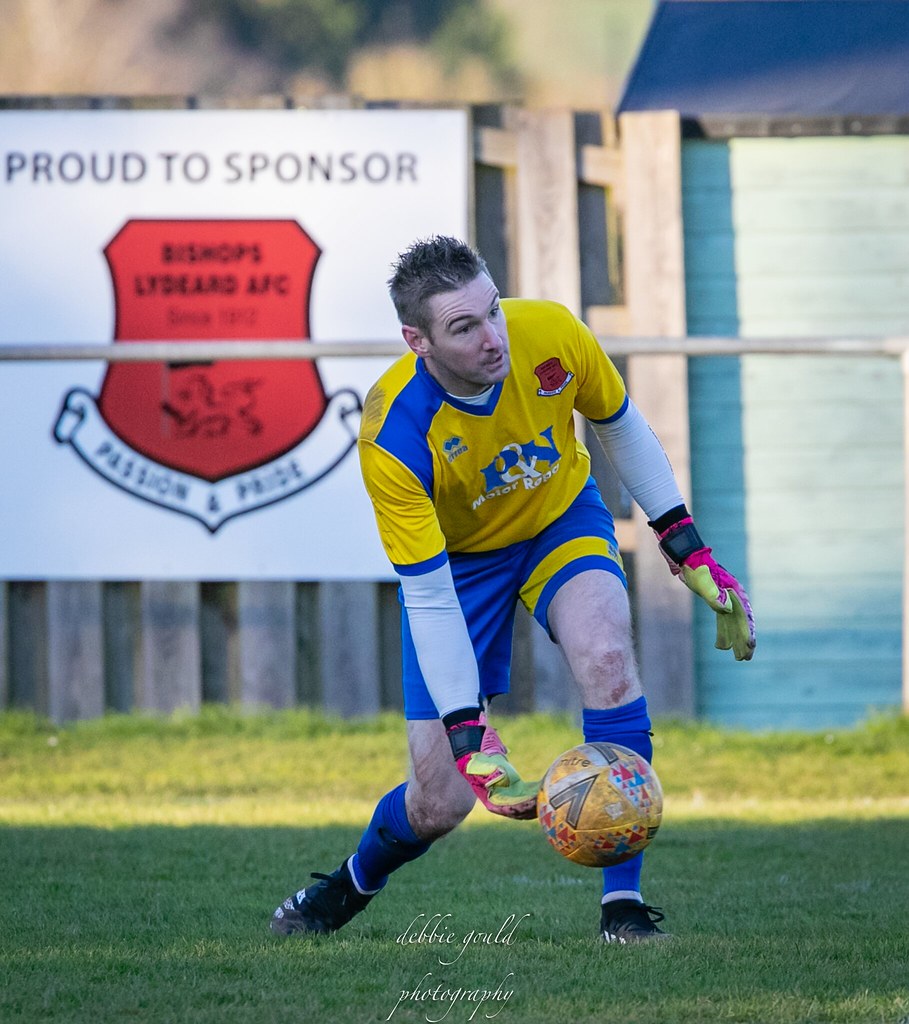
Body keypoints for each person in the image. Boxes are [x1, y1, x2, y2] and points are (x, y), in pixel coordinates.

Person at [271, 236, 755, 943]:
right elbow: (430, 595)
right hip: (460, 569)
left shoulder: (550, 332)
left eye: (491, 311)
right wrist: (468, 731)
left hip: (558, 517)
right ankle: (352, 882)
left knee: (607, 660)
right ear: (418, 341)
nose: (492, 337)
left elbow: (620, 427)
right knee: (438, 801)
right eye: (464, 328)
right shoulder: (394, 432)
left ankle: (621, 907)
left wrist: (684, 544)